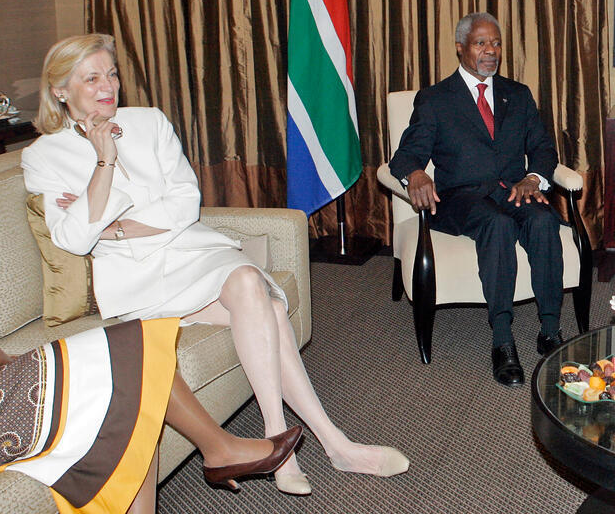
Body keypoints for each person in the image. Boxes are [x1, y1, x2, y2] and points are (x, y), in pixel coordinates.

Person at [21, 34, 408, 497]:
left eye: (112, 74)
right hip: (135, 279)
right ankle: (329, 444)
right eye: (92, 78)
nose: (108, 87)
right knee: (266, 306)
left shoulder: (149, 121)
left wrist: (114, 226)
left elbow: (185, 202)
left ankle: (280, 441)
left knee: (248, 282)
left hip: (193, 250)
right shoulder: (42, 156)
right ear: (60, 90)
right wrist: (104, 161)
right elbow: (73, 238)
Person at [389, 12, 564, 386]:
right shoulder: (435, 99)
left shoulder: (518, 94)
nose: (491, 51)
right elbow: (405, 155)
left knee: (544, 219)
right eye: (481, 43)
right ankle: (502, 340)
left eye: (496, 43)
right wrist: (416, 174)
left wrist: (534, 177)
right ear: (460, 48)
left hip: (512, 189)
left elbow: (543, 148)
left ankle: (550, 329)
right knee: (496, 225)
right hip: (460, 197)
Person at [0, 317, 301, 513]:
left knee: (134, 398)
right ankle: (221, 450)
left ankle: (221, 450)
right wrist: (20, 367)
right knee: (130, 351)